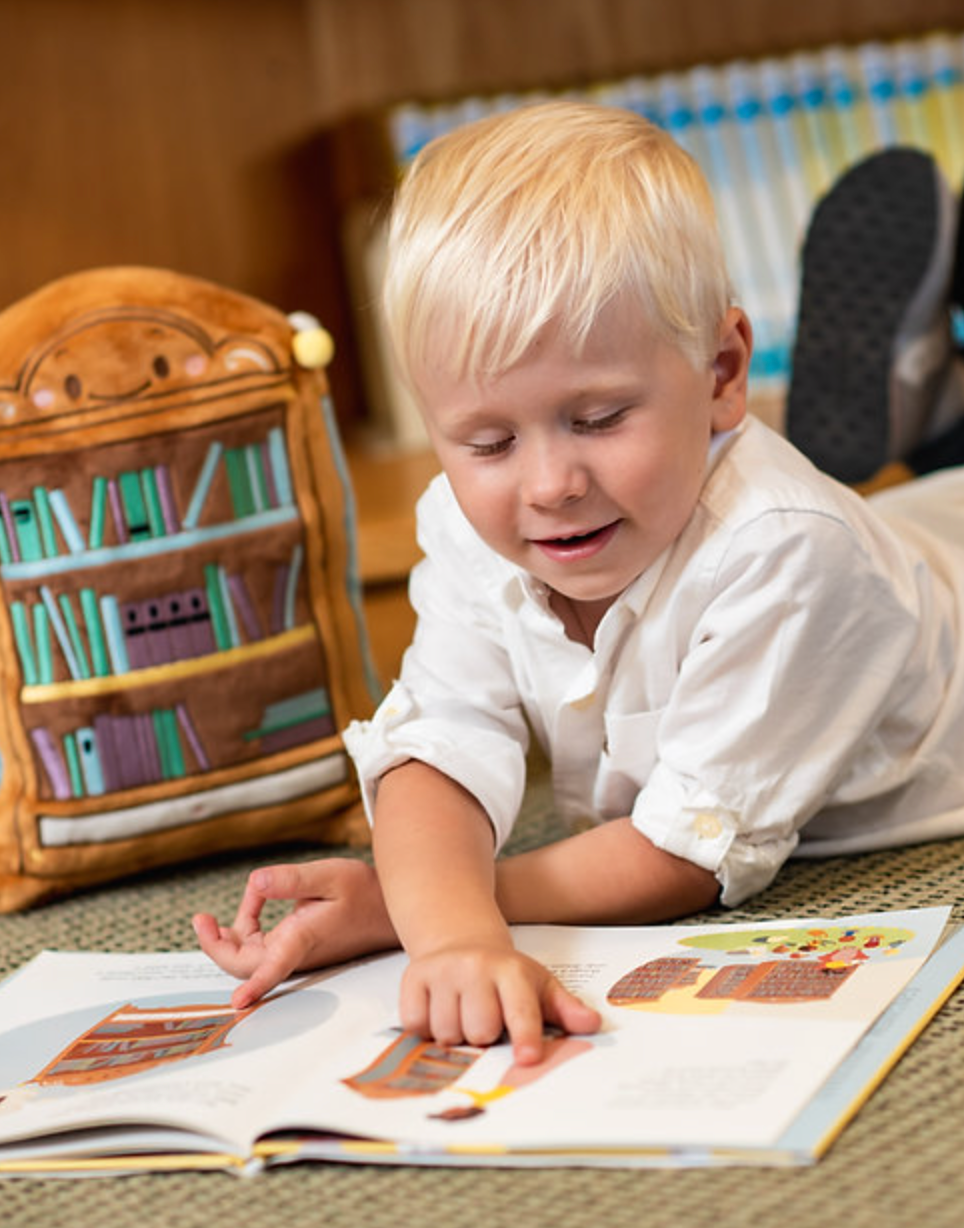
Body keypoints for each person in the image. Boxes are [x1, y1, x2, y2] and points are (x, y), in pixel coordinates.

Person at [194, 101, 964, 1065]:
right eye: (488, 441)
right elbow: (441, 746)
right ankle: (931, 399)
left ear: (724, 371)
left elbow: (680, 851)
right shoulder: (474, 530)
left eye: (598, 418)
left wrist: (441, 909)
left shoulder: (791, 554)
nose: (551, 484)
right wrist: (443, 917)